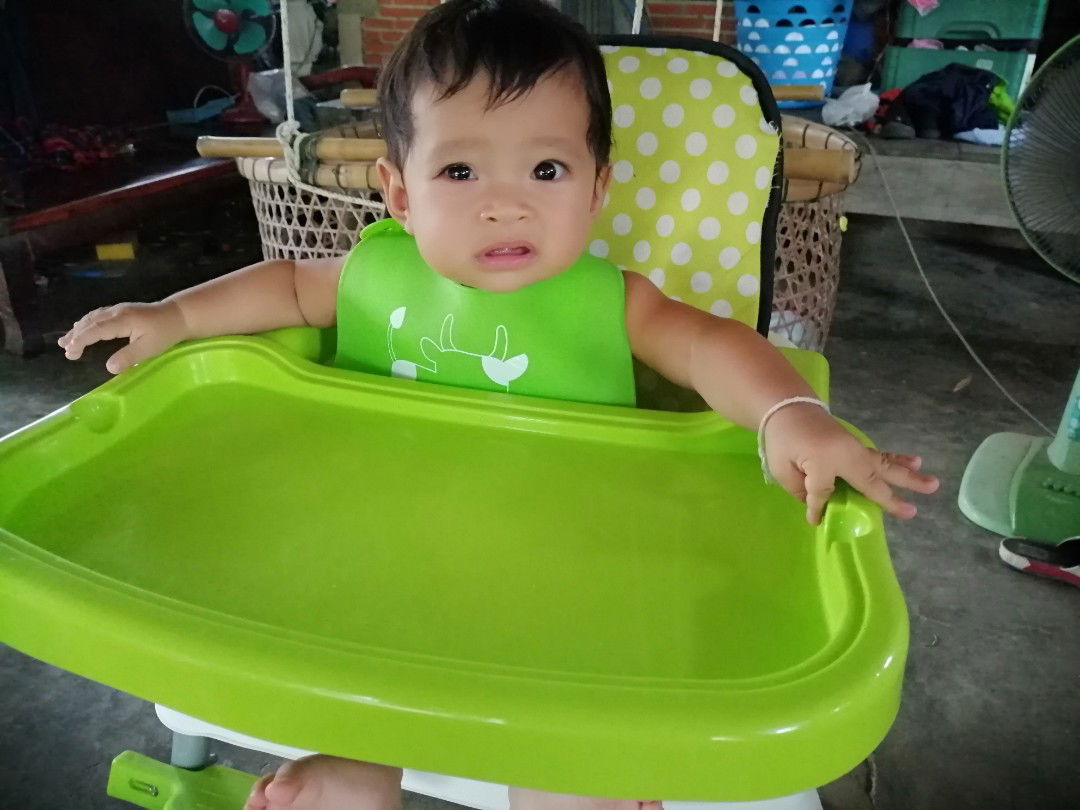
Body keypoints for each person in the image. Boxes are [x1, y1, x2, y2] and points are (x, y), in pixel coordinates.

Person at [58, 2, 939, 809]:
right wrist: (175, 317)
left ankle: (578, 778)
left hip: (563, 575)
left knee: (568, 750)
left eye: (546, 168)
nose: (505, 204)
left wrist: (788, 413)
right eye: (461, 169)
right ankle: (355, 764)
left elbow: (712, 347)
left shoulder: (613, 303)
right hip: (383, 554)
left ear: (597, 190)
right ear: (401, 194)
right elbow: (285, 285)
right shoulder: (375, 272)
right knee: (357, 655)